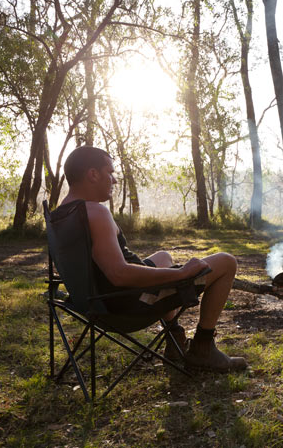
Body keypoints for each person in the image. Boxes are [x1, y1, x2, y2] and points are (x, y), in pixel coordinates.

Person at [56, 146, 246, 372]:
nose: (114, 180)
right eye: (110, 172)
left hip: (93, 300)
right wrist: (181, 273)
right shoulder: (95, 213)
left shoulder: (60, 215)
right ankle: (203, 348)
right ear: (93, 174)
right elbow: (119, 274)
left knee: (163, 256)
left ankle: (174, 338)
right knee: (226, 261)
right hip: (126, 304)